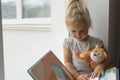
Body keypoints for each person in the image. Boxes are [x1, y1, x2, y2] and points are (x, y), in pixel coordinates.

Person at [63, 0, 112, 80]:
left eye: (82, 31)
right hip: (77, 77)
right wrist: (77, 76)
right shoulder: (68, 43)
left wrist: (101, 66)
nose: (78, 35)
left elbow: (108, 58)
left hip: (94, 77)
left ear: (88, 25)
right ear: (68, 28)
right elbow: (67, 63)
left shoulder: (96, 42)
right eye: (73, 31)